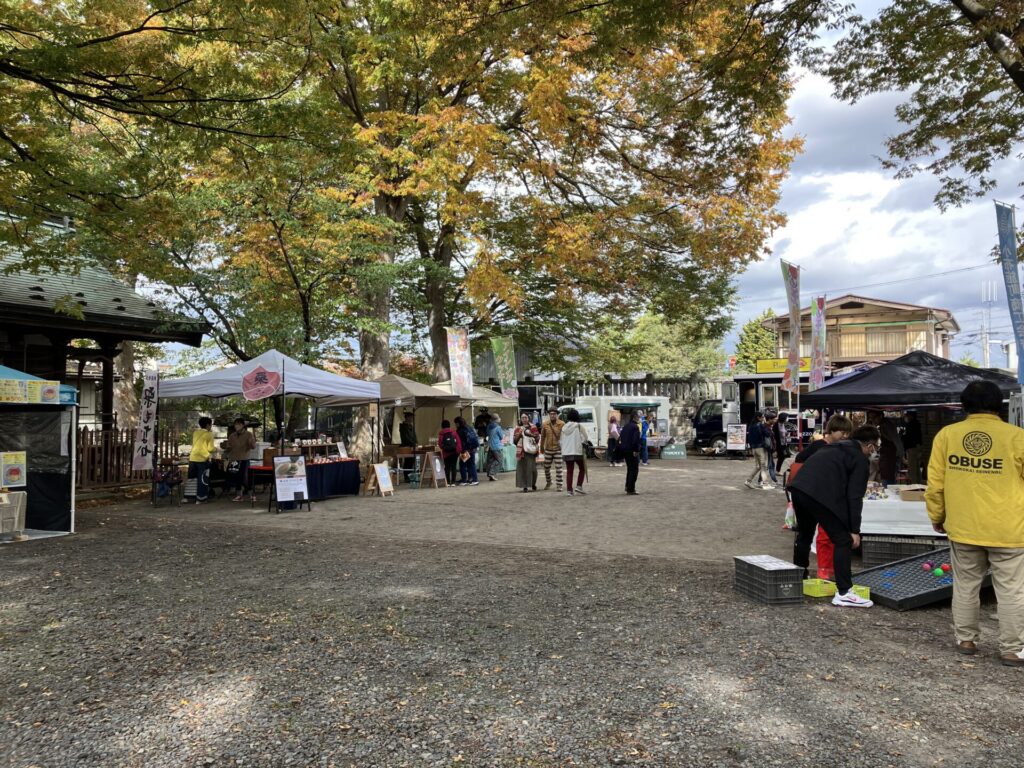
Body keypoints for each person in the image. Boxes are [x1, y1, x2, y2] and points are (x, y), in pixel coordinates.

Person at [925, 381, 1024, 666]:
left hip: (964, 526)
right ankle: (1013, 649)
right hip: (1010, 529)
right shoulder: (1017, 437)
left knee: (966, 585)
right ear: (999, 405)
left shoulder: (948, 435)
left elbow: (935, 485)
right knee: (1012, 590)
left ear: (964, 406)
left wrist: (937, 516)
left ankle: (966, 639)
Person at [788, 425, 880, 608]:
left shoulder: (835, 446)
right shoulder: (860, 459)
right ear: (870, 446)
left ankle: (798, 577)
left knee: (805, 535)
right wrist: (854, 530)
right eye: (875, 447)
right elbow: (854, 496)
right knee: (843, 540)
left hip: (798, 489)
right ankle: (845, 592)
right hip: (819, 495)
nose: (874, 451)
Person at [790, 414, 854, 581]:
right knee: (807, 534)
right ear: (831, 431)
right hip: (813, 495)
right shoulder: (820, 446)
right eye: (843, 432)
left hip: (818, 494)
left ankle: (822, 570)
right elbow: (799, 459)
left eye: (848, 433)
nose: (845, 436)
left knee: (815, 534)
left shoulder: (840, 448)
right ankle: (801, 571)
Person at [222, 417, 256, 502]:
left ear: (243, 425)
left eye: (238, 424)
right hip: (234, 459)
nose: (236, 426)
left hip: (244, 458)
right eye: (235, 424)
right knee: (236, 477)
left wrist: (251, 442)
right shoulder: (232, 435)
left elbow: (253, 446)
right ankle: (239, 495)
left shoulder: (249, 434)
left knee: (245, 477)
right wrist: (225, 450)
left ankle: (251, 494)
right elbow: (228, 447)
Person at [867, 410, 903, 484]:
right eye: (870, 418)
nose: (872, 420)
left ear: (880, 416)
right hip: (888, 456)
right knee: (888, 478)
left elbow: (895, 440)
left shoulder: (886, 425)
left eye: (874, 417)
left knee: (887, 480)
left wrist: (900, 454)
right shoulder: (884, 425)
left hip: (890, 456)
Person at [559, 408, 589, 496]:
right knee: (582, 468)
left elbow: (561, 441)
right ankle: (579, 486)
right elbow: (585, 438)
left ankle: (569, 490)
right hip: (577, 451)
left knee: (569, 470)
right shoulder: (579, 426)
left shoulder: (563, 427)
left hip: (566, 452)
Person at [188, 416, 216, 504]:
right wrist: (217, 449)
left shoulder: (195, 432)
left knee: (192, 478)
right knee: (202, 479)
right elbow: (210, 449)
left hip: (192, 458)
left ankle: (188, 497)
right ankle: (201, 498)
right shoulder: (209, 434)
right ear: (208, 425)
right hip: (202, 459)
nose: (211, 426)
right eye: (211, 425)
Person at [513, 412, 540, 492]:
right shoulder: (518, 428)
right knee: (522, 469)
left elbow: (537, 438)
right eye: (522, 418)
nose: (524, 419)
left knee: (532, 469)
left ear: (529, 418)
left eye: (525, 417)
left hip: (531, 452)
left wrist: (531, 435)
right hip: (521, 451)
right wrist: (519, 435)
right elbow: (514, 441)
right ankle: (525, 486)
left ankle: (533, 484)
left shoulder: (533, 427)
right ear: (520, 419)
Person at [744, 413, 772, 490]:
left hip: (753, 448)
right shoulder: (760, 425)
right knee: (763, 466)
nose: (763, 418)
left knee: (758, 467)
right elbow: (768, 434)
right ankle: (765, 484)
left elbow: (749, 438)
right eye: (762, 417)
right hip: (761, 448)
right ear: (758, 417)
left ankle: (748, 481)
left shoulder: (751, 426)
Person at [540, 408, 564, 491]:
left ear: (557, 415)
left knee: (559, 468)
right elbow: (542, 436)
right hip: (548, 449)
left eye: (554, 414)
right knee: (546, 467)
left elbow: (564, 437)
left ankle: (559, 485)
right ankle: (549, 482)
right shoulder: (545, 424)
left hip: (558, 449)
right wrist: (541, 447)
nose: (552, 415)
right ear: (549, 415)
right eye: (551, 414)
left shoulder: (561, 424)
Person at [620, 411, 642, 495]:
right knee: (634, 470)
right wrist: (636, 450)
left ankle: (627, 486)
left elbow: (621, 436)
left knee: (629, 469)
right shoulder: (635, 427)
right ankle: (631, 489)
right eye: (638, 417)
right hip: (632, 450)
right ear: (634, 417)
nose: (639, 418)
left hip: (625, 450)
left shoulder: (626, 426)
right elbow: (636, 440)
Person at [454, 416, 479, 486]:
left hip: (465, 450)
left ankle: (464, 480)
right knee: (472, 465)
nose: (455, 425)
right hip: (472, 449)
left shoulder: (460, 430)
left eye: (456, 423)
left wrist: (460, 450)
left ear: (458, 423)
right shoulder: (469, 427)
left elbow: (460, 442)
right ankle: (475, 480)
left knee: (462, 465)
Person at [437, 419, 462, 486]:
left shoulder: (441, 434)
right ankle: (453, 482)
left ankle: (447, 482)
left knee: (447, 467)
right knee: (453, 467)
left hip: (446, 453)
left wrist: (444, 448)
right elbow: (458, 442)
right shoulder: (454, 432)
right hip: (454, 452)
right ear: (449, 425)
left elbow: (439, 443)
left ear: (442, 426)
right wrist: (458, 451)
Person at [903, 411, 923, 484]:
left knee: (912, 469)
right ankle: (918, 484)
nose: (906, 417)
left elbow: (908, 438)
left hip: (912, 448)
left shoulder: (911, 425)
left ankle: (914, 486)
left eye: (907, 416)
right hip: (917, 448)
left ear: (911, 416)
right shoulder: (917, 424)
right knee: (917, 468)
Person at [485, 413, 506, 481]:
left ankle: (489, 474)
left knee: (490, 460)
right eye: (499, 417)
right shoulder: (498, 427)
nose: (500, 418)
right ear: (496, 419)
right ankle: (492, 473)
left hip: (490, 446)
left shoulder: (488, 426)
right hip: (496, 446)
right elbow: (501, 437)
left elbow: (487, 434)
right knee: (499, 460)